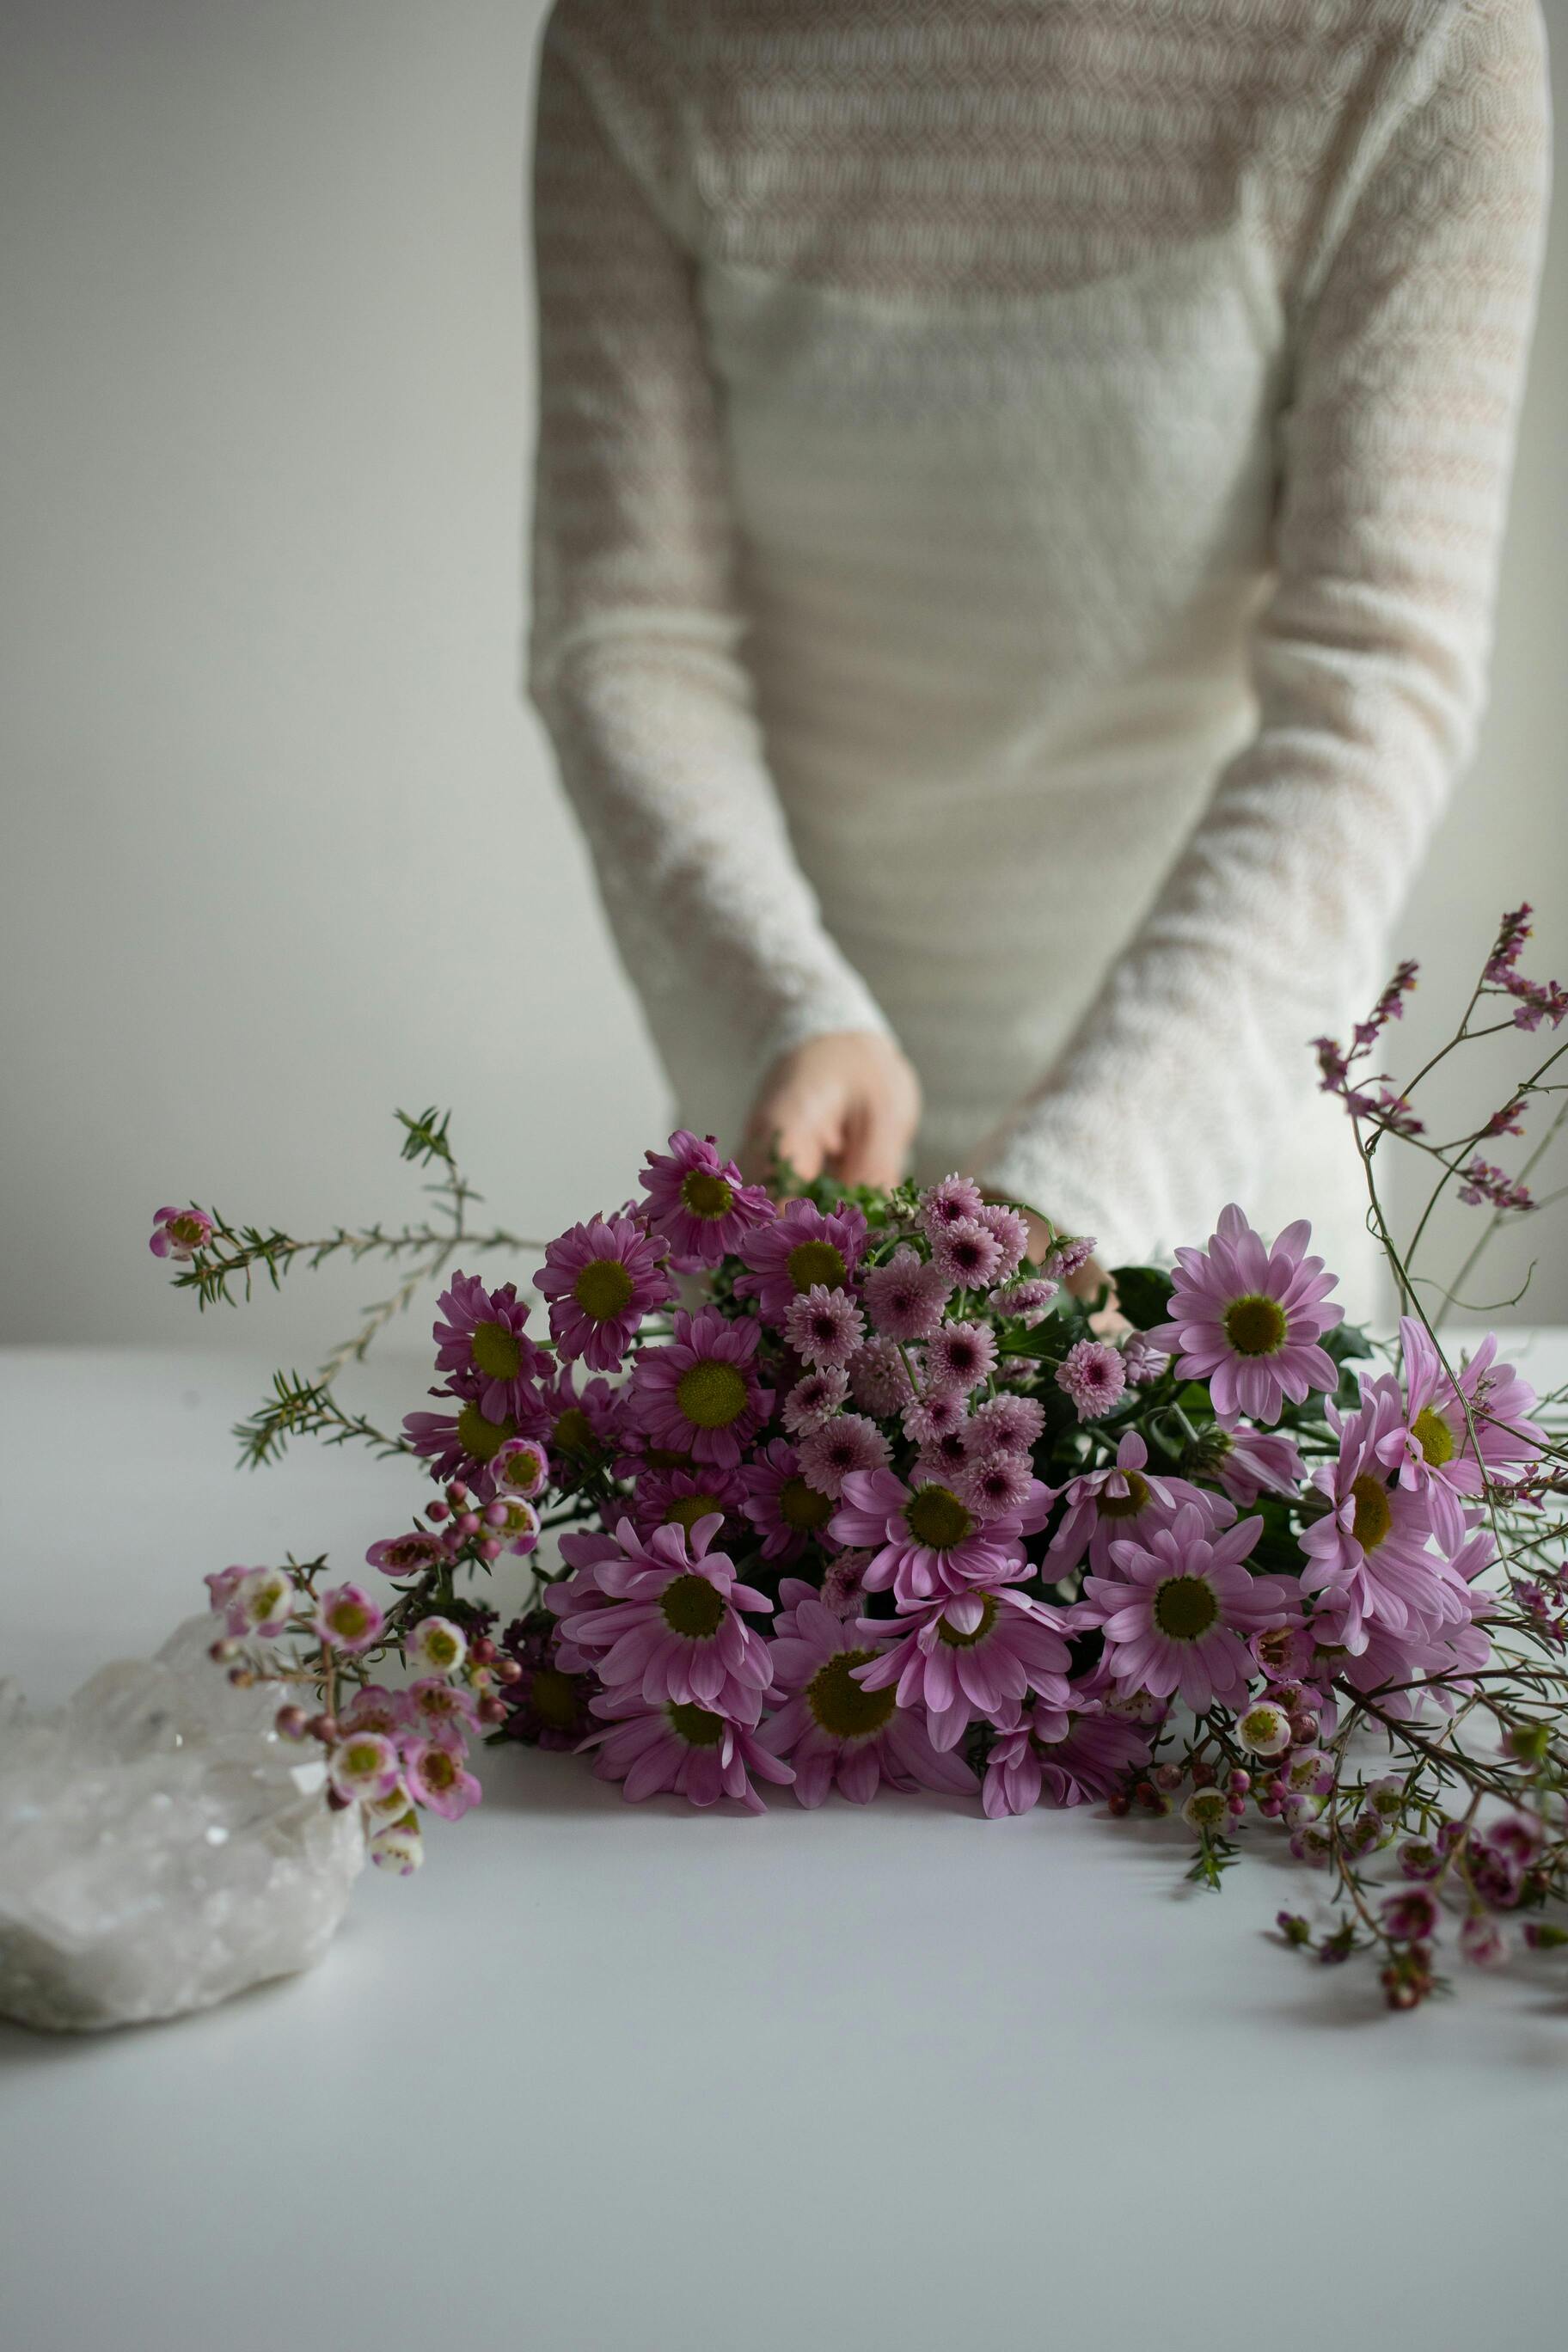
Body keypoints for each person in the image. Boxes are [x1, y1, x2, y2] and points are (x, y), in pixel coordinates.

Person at [524, 0, 1549, 1306]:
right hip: (807, 1148)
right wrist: (778, 1003)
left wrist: (1083, 1184)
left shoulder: (1416, 33)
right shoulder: (643, 38)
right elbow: (631, 632)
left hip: (1209, 1173)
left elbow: (1376, 670)